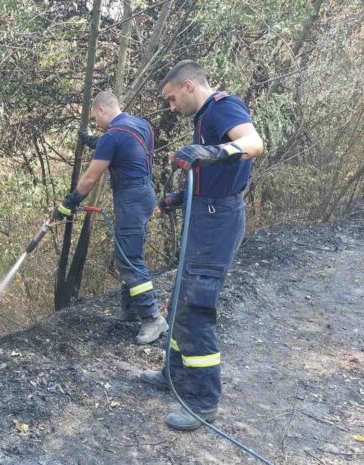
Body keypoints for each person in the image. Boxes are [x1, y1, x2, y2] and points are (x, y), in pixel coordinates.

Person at [141, 60, 264, 431]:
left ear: (189, 85)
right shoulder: (203, 117)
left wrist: (211, 153)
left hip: (219, 223)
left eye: (172, 98)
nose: (171, 106)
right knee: (180, 298)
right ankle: (174, 376)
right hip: (206, 215)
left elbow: (253, 144)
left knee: (196, 305)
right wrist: (178, 197)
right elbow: (215, 176)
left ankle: (203, 401)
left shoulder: (224, 106)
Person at [54, 90, 168, 345]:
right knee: (127, 251)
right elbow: (127, 148)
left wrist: (69, 202)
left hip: (130, 198)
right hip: (145, 194)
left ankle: (152, 318)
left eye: (95, 118)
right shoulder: (141, 125)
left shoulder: (112, 136)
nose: (96, 123)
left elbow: (91, 178)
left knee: (129, 258)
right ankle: (130, 310)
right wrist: (95, 141)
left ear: (102, 110)